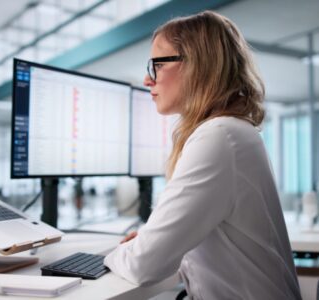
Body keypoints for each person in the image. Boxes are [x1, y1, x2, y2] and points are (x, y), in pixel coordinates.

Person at [104, 11, 301, 299]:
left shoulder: (218, 137)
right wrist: (154, 241)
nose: (148, 79)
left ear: (195, 65)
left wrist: (121, 251)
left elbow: (141, 264)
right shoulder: (233, 132)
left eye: (156, 65)